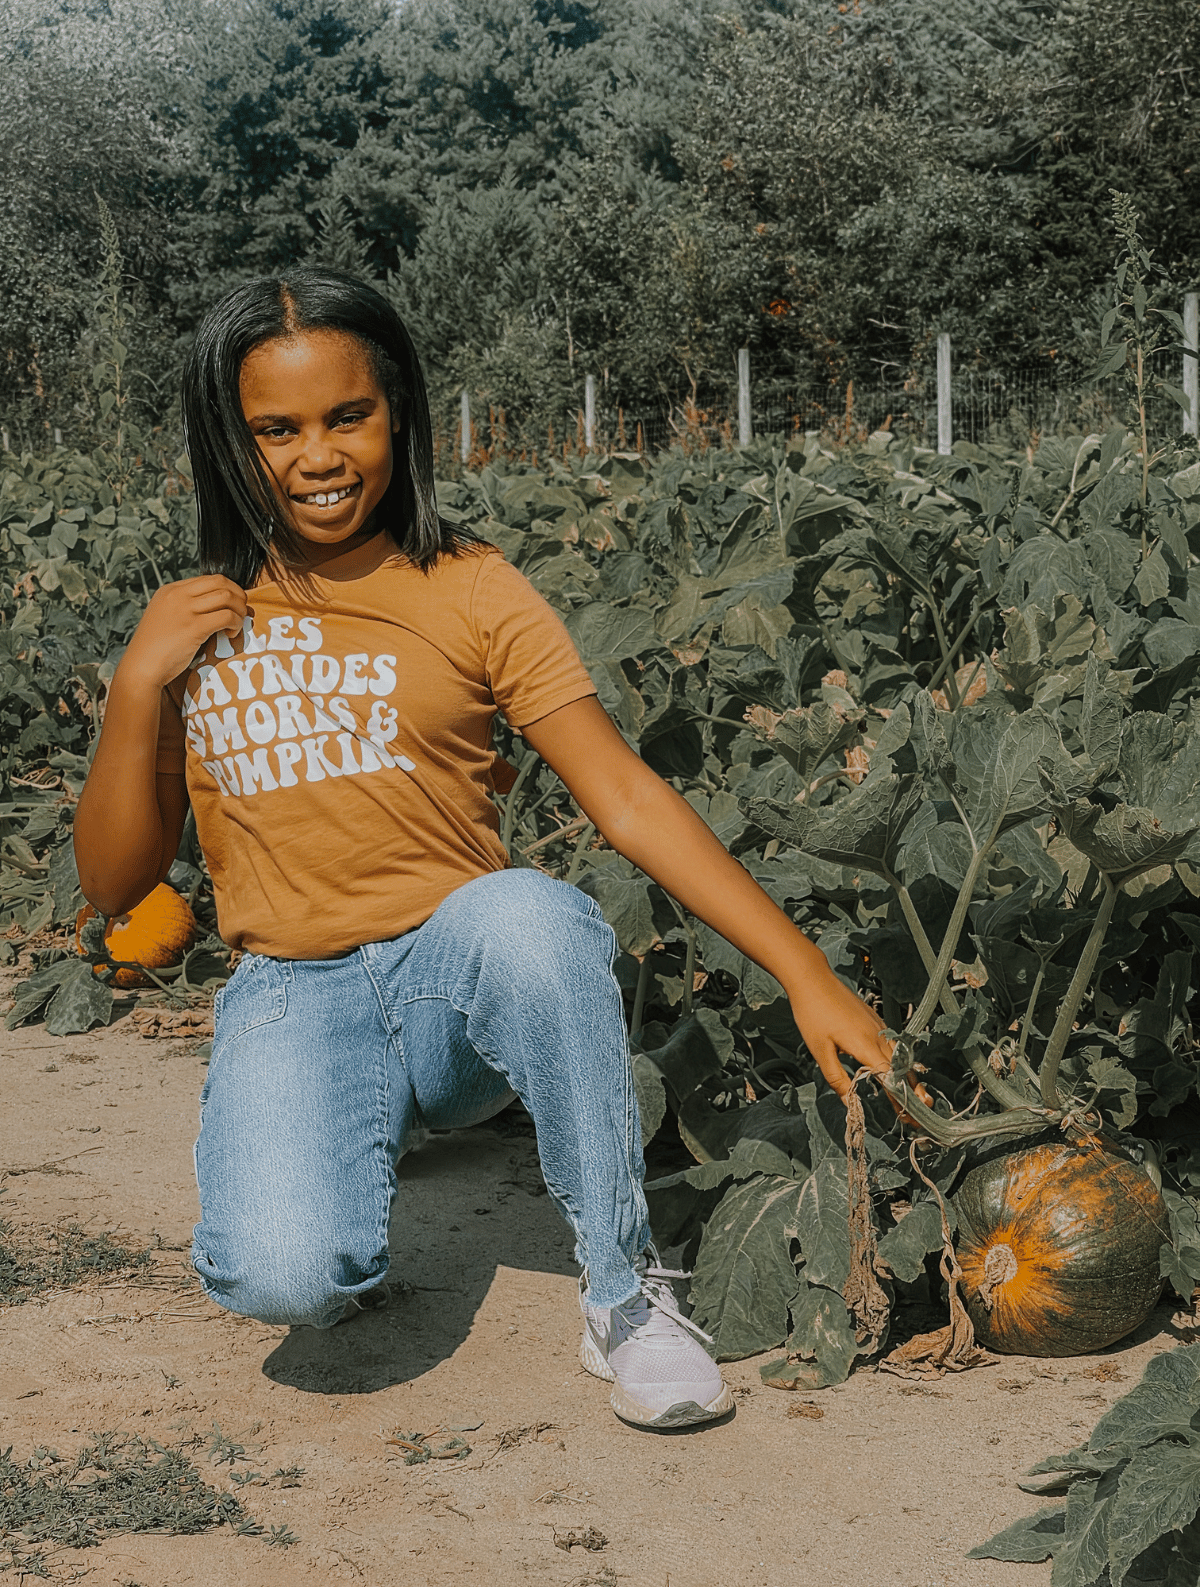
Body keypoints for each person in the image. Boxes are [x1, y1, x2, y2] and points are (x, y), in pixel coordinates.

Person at [73, 267, 896, 1433]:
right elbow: (114, 886)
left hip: (451, 973)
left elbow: (623, 794)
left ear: (396, 410)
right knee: (288, 1280)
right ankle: (364, 1122)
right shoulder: (197, 617)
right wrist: (133, 684)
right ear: (231, 437)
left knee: (531, 914)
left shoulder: (471, 588)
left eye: (347, 416)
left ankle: (622, 1294)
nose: (320, 454)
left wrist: (802, 968)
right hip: (292, 987)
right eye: (278, 428)